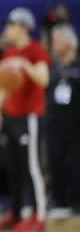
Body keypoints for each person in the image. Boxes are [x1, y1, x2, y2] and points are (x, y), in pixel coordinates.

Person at [0, 8, 50, 232]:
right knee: (13, 167)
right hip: (11, 116)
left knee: (32, 167)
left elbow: (43, 79)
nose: (7, 29)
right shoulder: (9, 53)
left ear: (23, 27)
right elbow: (4, 85)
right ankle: (15, 214)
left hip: (30, 116)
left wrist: (24, 64)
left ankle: (39, 216)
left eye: (11, 25)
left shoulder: (36, 51)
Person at [45, 24, 80, 212]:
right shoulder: (53, 66)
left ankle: (76, 200)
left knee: (75, 161)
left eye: (57, 41)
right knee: (54, 159)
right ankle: (58, 199)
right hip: (54, 121)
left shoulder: (77, 65)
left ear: (70, 43)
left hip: (76, 121)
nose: (54, 44)